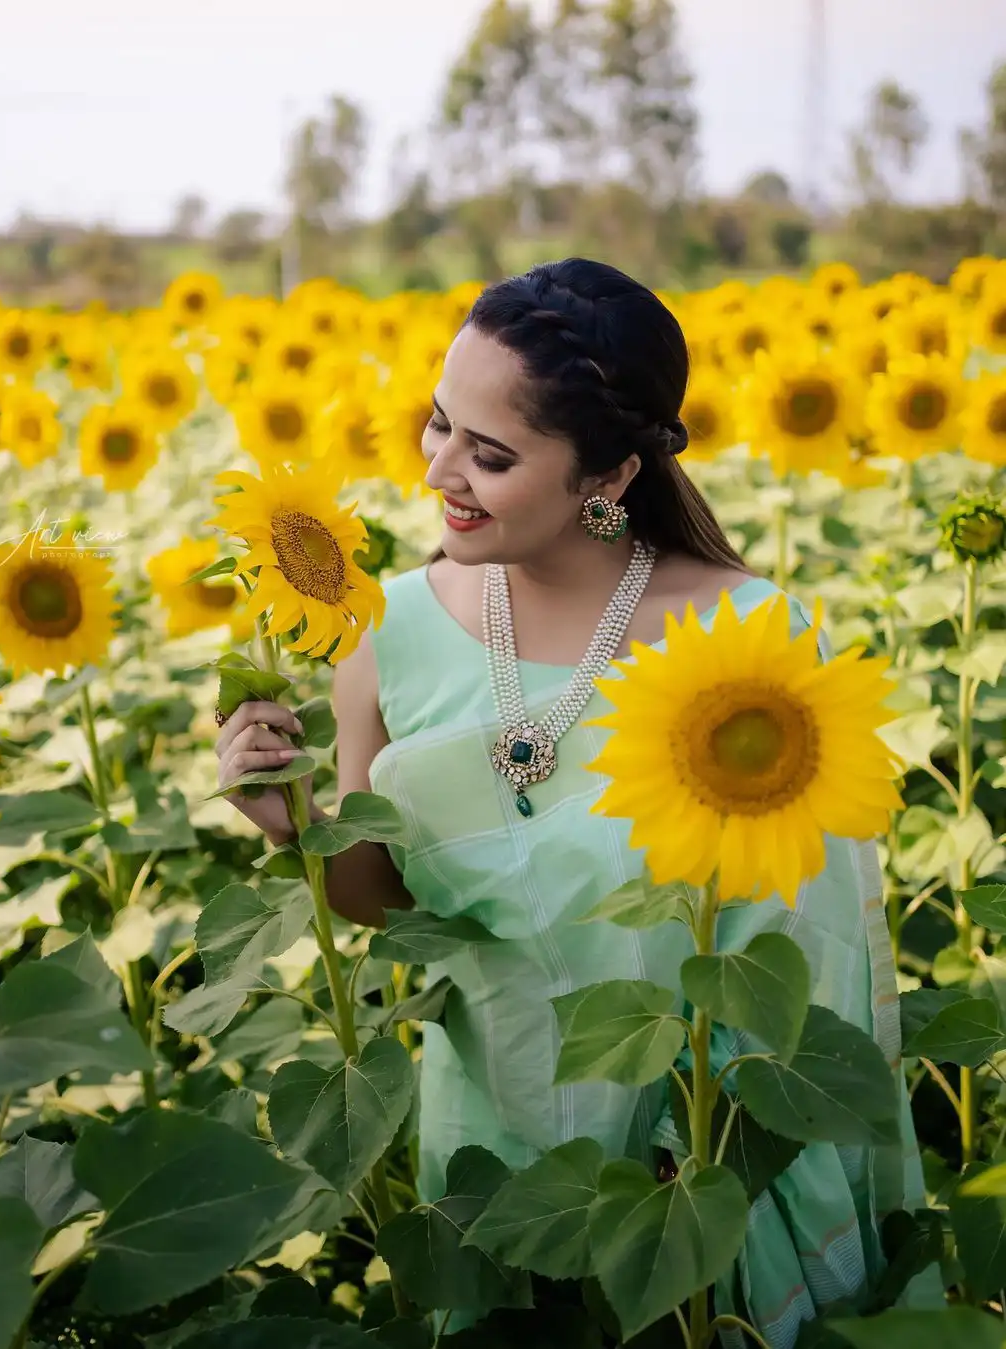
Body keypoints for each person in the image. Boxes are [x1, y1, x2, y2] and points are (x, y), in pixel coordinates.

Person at [216, 259, 932, 1345]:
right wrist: (295, 824)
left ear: (608, 476)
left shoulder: (746, 639)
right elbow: (389, 905)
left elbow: (803, 927)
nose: (439, 472)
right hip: (492, 1143)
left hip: (703, 1148)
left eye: (490, 455)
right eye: (438, 426)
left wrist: (706, 1142)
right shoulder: (388, 628)